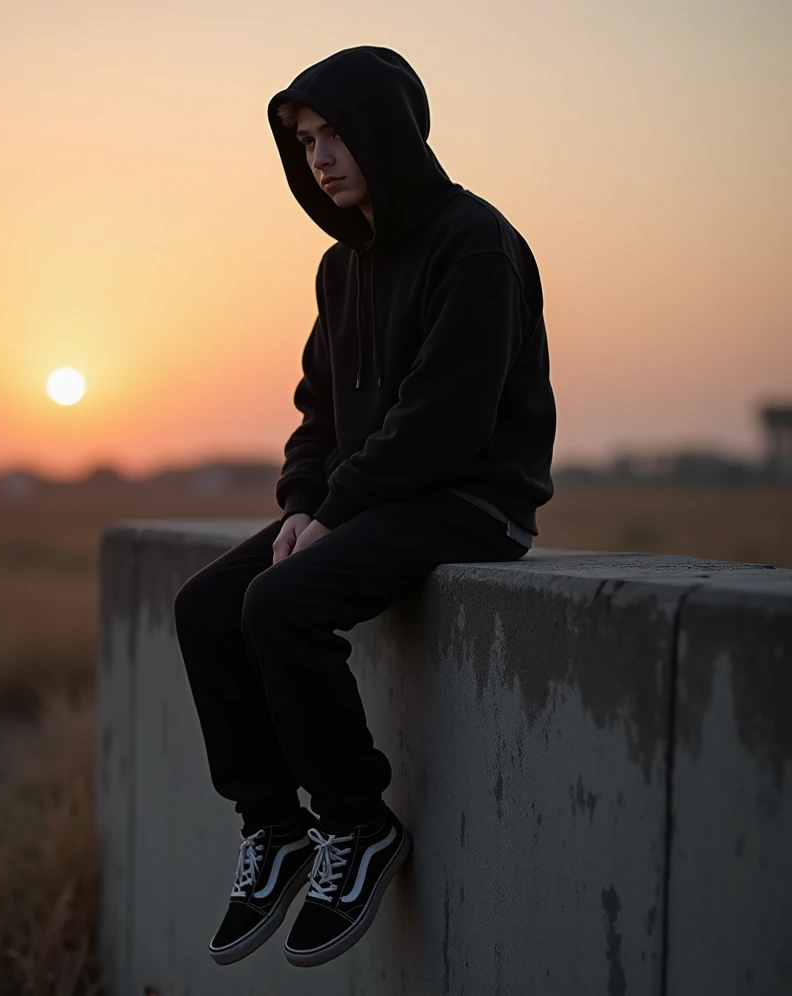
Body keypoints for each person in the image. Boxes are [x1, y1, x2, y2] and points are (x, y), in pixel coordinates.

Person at [173, 44, 556, 969]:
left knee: (283, 603)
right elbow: (318, 414)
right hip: (375, 500)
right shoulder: (340, 269)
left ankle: (358, 824)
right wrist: (307, 502)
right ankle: (275, 828)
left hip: (471, 497)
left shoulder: (476, 243)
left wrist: (335, 510)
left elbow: (448, 418)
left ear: (391, 128)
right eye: (306, 141)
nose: (321, 157)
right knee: (206, 605)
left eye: (338, 133)